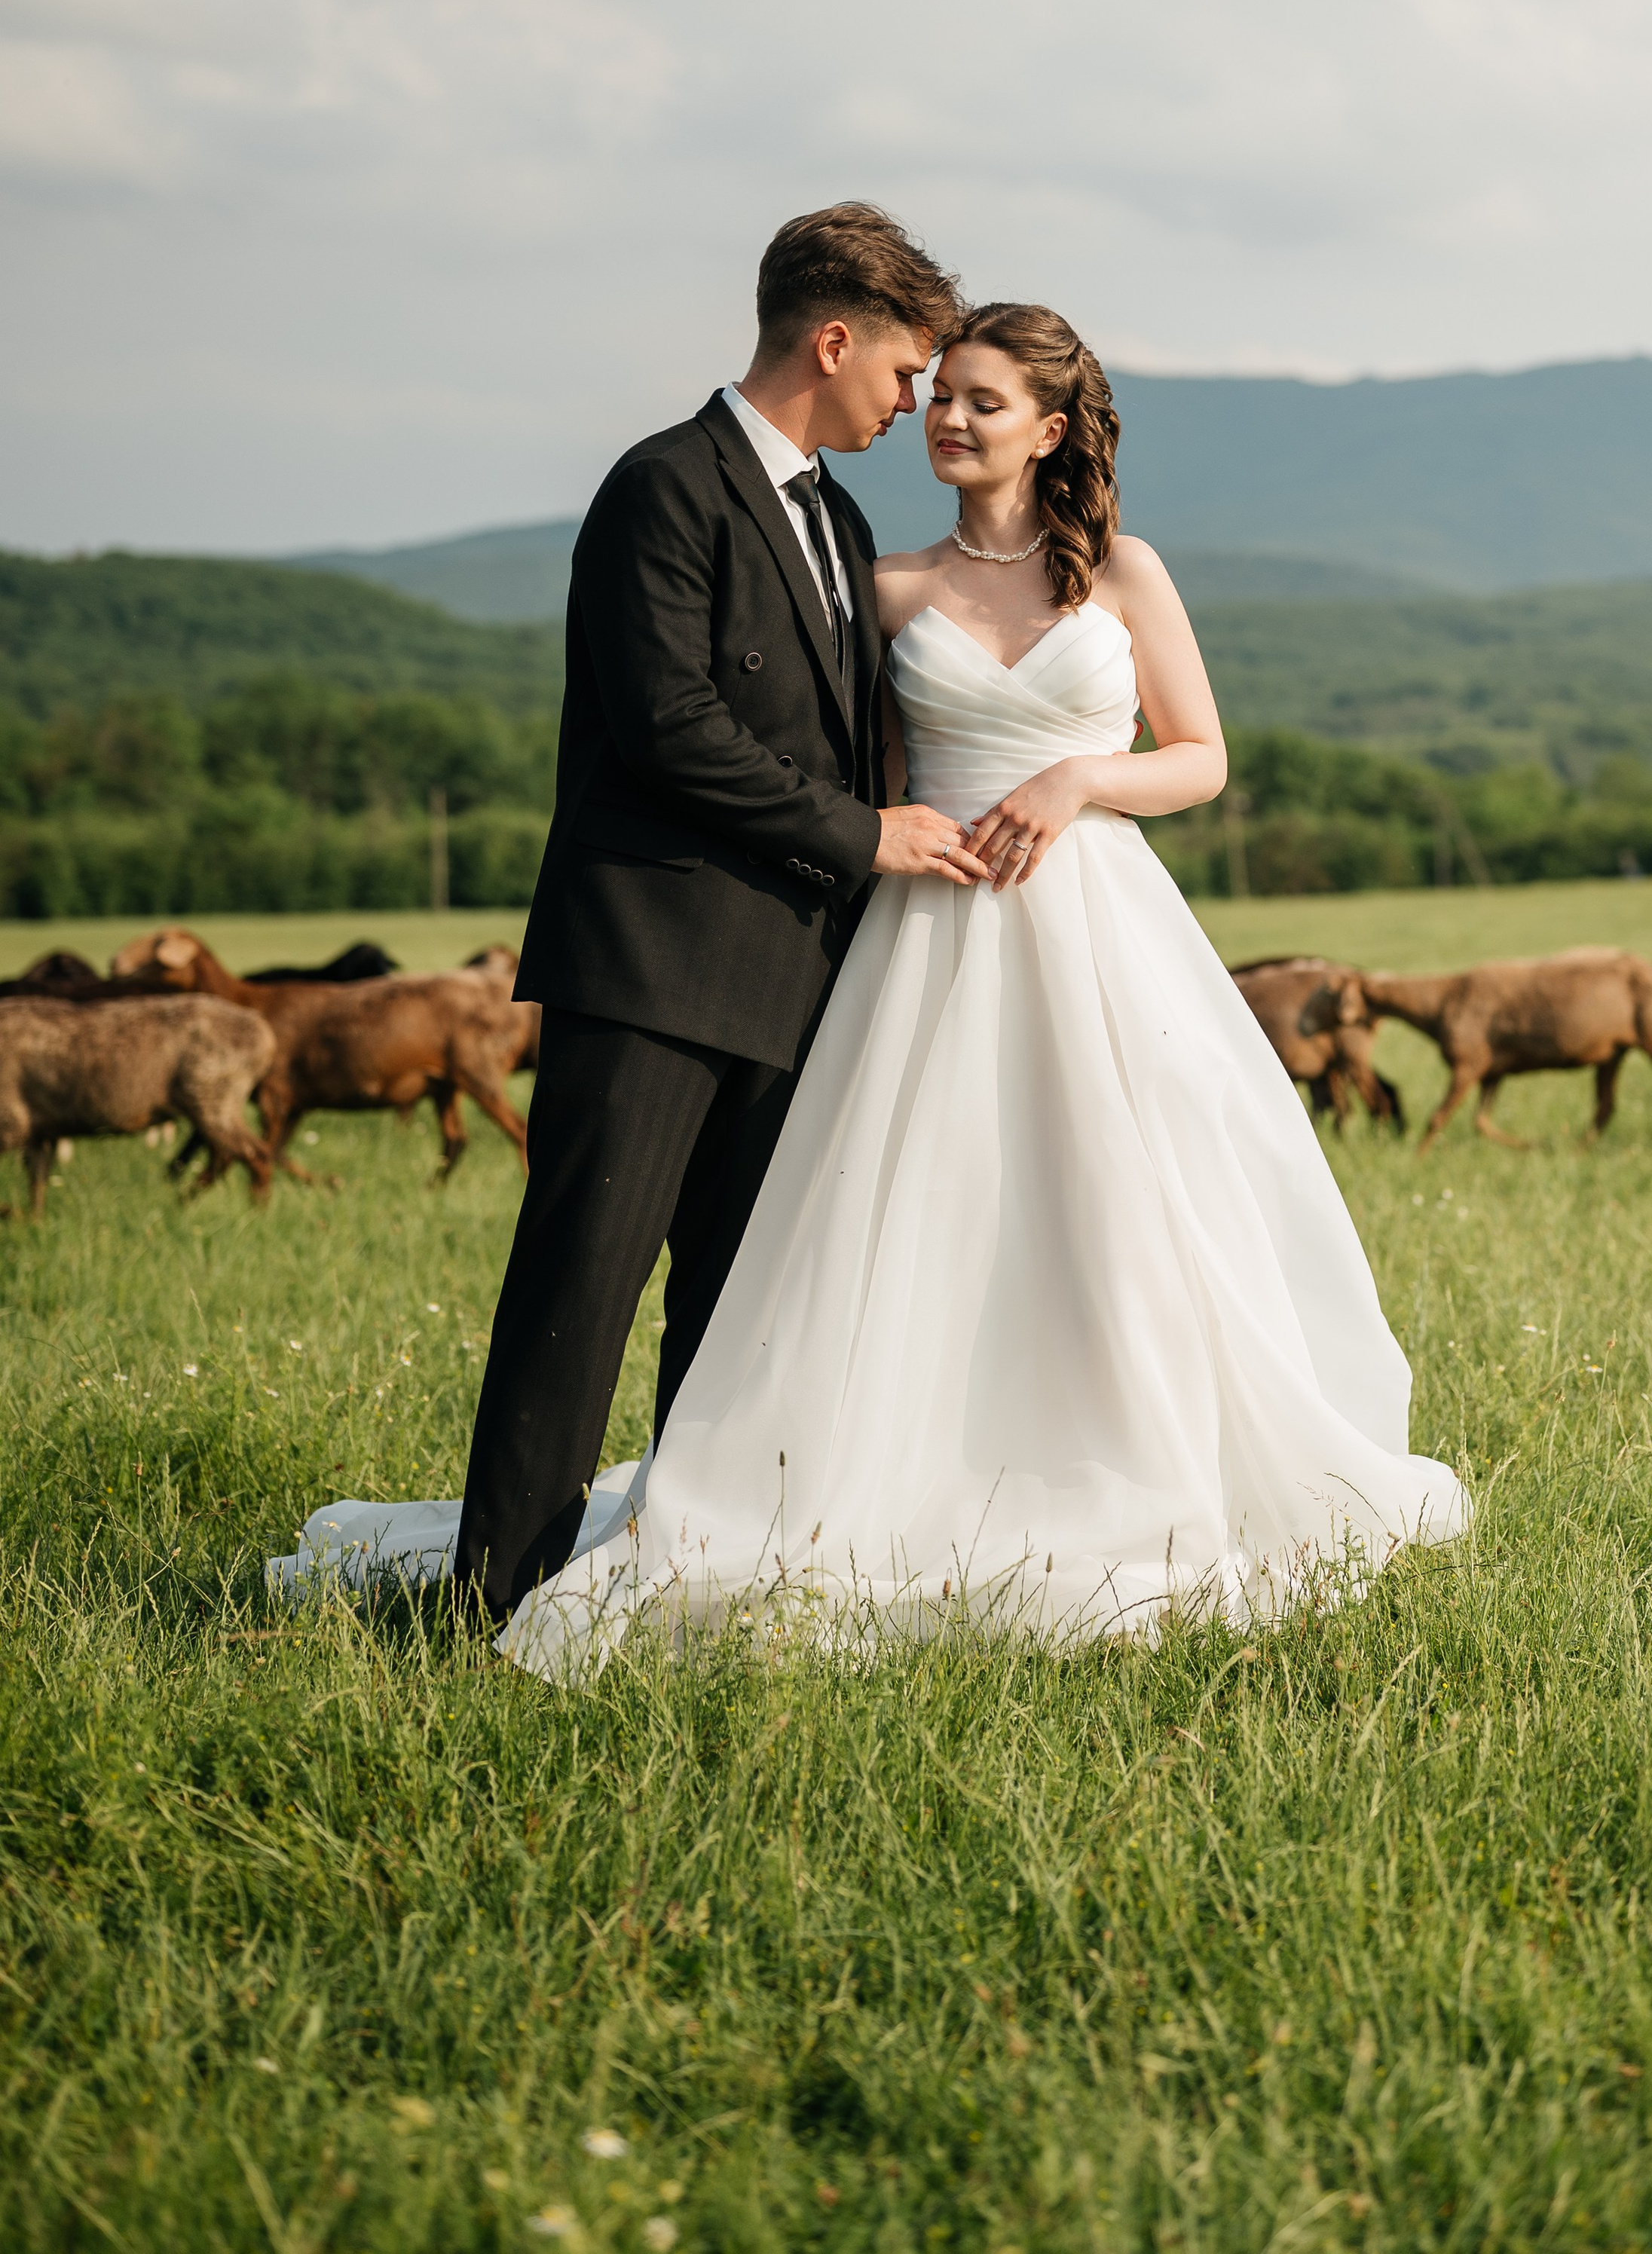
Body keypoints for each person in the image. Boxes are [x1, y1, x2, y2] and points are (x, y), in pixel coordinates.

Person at [272, 298, 1466, 1656]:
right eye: (938, 389)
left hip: (1100, 925)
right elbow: (847, 774)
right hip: (932, 931)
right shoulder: (884, 583)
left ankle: (1130, 1455)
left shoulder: (1124, 576)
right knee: (917, 1214)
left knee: (1125, 1212)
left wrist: (1082, 777)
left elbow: (1202, 757)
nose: (944, 417)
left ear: (1054, 430)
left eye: (980, 400)